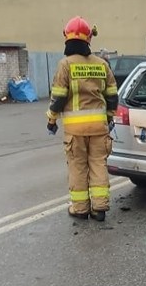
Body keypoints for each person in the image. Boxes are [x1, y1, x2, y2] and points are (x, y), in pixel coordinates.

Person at [46, 16, 119, 222]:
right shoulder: (101, 64)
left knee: (78, 167)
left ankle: (79, 208)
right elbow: (112, 95)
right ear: (89, 39)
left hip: (75, 131)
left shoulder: (65, 64)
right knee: (98, 165)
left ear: (66, 39)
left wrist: (51, 120)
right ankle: (100, 208)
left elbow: (58, 98)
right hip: (99, 127)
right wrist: (110, 117)